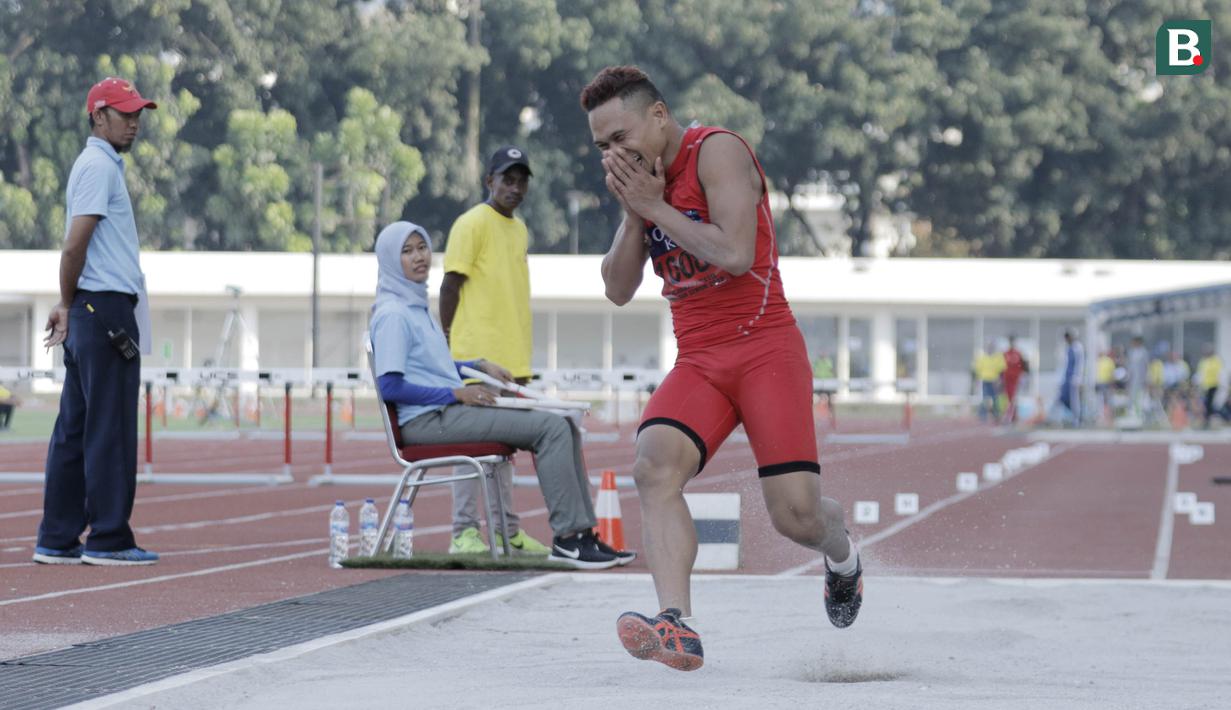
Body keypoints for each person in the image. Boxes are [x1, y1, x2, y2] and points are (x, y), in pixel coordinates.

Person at [580, 65, 862, 671]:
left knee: (796, 517)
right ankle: (675, 623)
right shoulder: (644, 188)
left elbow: (734, 255)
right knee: (653, 465)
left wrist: (656, 205)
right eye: (602, 147)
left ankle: (842, 557)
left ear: (659, 115)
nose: (613, 155)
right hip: (701, 359)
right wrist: (636, 215)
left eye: (620, 137)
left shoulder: (718, 151)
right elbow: (617, 289)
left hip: (765, 348)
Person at [369, 220, 630, 570]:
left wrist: (476, 364)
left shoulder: (415, 307)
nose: (419, 257)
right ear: (389, 260)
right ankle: (568, 540)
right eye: (407, 251)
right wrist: (456, 394)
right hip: (427, 423)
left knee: (565, 422)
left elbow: (434, 366)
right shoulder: (393, 315)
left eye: (422, 247)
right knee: (549, 428)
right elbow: (389, 386)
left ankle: (582, 536)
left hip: (445, 413)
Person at [34, 78, 160, 566]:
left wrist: (69, 304)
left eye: (137, 114)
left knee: (75, 426)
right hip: (103, 309)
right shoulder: (98, 167)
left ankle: (58, 537)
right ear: (98, 115)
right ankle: (108, 537)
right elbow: (74, 245)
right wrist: (67, 303)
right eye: (125, 114)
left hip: (92, 309)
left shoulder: (97, 165)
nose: (134, 123)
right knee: (109, 428)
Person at [435, 146, 549, 558]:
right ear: (490, 181)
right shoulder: (471, 223)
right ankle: (463, 531)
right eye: (507, 179)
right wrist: (445, 345)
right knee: (471, 449)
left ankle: (506, 531)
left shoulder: (518, 230)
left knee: (502, 451)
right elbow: (450, 285)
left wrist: (520, 364)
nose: (515, 188)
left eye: (521, 181)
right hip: (475, 360)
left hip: (511, 362)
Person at [1057, 329, 1085, 426]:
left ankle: (1077, 419)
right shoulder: (1068, 348)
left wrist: (1078, 378)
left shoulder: (1078, 347)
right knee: (1063, 398)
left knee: (1075, 400)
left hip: (1074, 377)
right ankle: (1072, 417)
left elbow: (1080, 364)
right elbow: (1065, 364)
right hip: (1067, 377)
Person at [1195, 344, 1227, 429]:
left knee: (1214, 405)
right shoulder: (1203, 361)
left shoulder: (1216, 361)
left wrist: (1223, 385)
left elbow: (1221, 374)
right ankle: (1207, 422)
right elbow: (1200, 374)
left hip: (1214, 386)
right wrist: (1197, 384)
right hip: (1205, 387)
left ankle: (1220, 420)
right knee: (1206, 405)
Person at [972, 342, 1004, 422]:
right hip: (985, 381)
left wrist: (999, 380)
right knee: (985, 398)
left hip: (994, 381)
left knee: (995, 399)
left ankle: (996, 415)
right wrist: (977, 380)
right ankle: (983, 416)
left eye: (991, 347)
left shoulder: (997, 357)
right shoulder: (983, 358)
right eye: (988, 347)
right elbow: (978, 370)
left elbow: (1001, 370)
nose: (990, 348)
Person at [1000, 336, 1028, 424]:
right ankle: (1010, 415)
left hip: (1016, 380)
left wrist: (1024, 377)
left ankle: (1011, 416)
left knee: (1013, 398)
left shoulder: (1018, 353)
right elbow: (1001, 367)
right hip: (1007, 380)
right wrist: (1000, 379)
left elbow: (1024, 366)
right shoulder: (1005, 354)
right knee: (1008, 398)